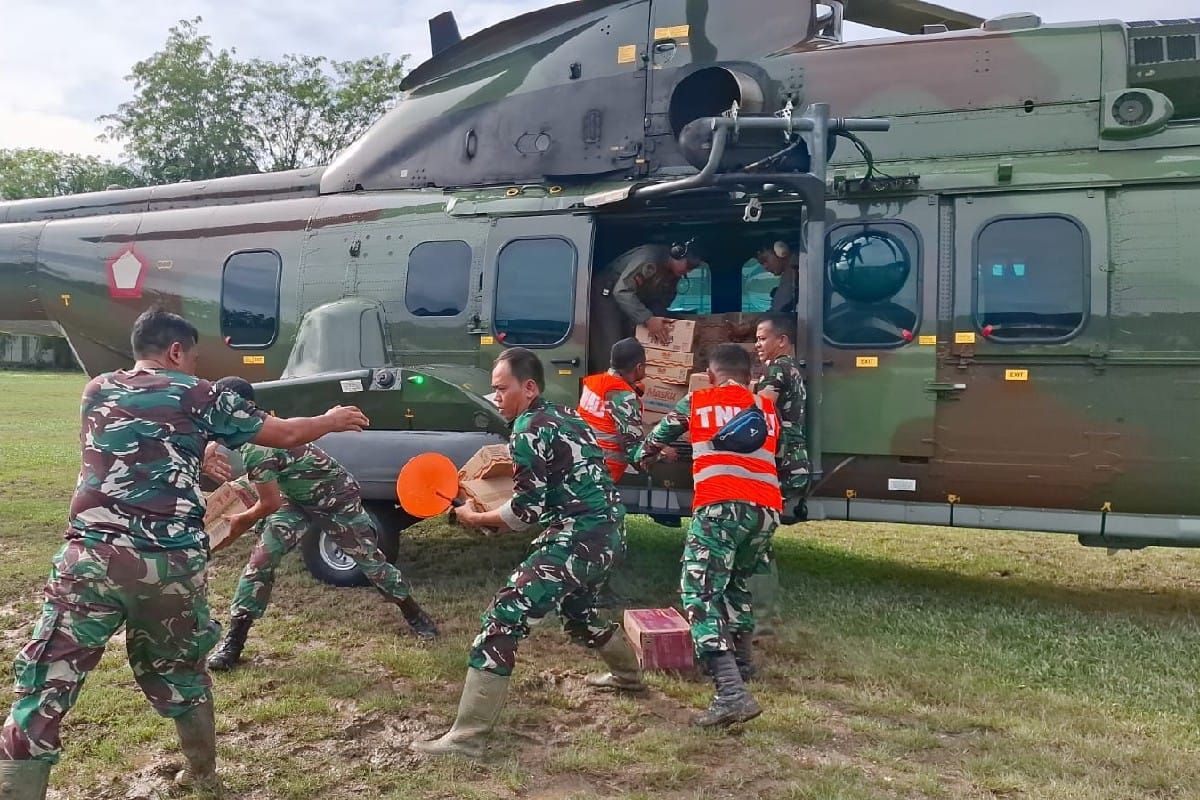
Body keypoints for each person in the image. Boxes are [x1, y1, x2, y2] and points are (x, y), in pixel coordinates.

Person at [0, 309, 370, 799]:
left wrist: (197, 449)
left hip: (90, 558)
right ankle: (203, 777)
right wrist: (331, 419)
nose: (195, 366)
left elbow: (138, 449)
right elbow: (284, 434)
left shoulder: (96, 390)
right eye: (193, 357)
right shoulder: (199, 393)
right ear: (176, 351)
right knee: (183, 676)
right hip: (169, 566)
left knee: (43, 689)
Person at [411, 347, 644, 759]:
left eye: (502, 388)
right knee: (580, 615)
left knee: (503, 618)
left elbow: (525, 511)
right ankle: (628, 677)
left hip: (579, 537)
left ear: (529, 387)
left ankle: (466, 740)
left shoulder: (528, 428)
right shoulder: (567, 415)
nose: (495, 396)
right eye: (493, 389)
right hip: (610, 533)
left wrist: (474, 518)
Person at [204, 377, 438, 674]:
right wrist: (210, 444)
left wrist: (242, 520)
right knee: (260, 562)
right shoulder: (254, 427)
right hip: (295, 499)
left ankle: (414, 614)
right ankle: (234, 643)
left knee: (370, 561)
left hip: (335, 499)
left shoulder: (258, 448)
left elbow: (268, 504)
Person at [634, 343, 782, 726]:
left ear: (712, 376)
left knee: (698, 592)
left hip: (720, 505)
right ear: (750, 377)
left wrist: (648, 457)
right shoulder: (765, 409)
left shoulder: (698, 401)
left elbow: (653, 443)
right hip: (765, 510)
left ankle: (731, 692)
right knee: (734, 584)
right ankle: (744, 664)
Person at [749, 314, 812, 637]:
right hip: (793, 460)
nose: (757, 344)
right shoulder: (791, 368)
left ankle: (761, 620)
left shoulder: (777, 369)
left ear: (782, 340)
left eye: (762, 338)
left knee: (757, 540)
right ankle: (763, 614)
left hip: (782, 462)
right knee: (761, 538)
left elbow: (760, 409)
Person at [589, 239, 706, 370]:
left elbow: (661, 302)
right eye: (688, 266)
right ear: (677, 254)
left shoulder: (672, 274)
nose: (687, 271)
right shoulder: (649, 259)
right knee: (612, 347)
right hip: (606, 296)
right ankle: (611, 383)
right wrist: (647, 319)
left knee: (633, 345)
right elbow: (622, 291)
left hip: (630, 301)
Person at [755, 239, 802, 314]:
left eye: (765, 260)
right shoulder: (793, 269)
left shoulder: (793, 270)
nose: (765, 266)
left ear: (781, 250)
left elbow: (778, 308)